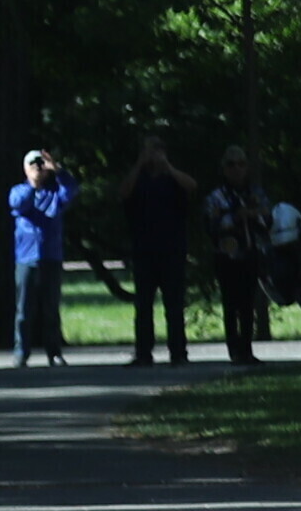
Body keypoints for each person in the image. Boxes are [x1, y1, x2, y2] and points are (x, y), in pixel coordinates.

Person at [117, 131, 198, 367]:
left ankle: (178, 352)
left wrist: (168, 166)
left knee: (174, 304)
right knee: (143, 305)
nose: (152, 155)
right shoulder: (138, 179)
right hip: (144, 250)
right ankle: (143, 353)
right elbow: (123, 193)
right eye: (149, 150)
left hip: (172, 250)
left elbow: (192, 186)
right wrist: (139, 164)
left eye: (156, 150)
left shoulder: (173, 178)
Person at [207, 145, 277, 370]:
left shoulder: (255, 194)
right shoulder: (217, 196)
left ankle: (247, 349)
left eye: (241, 164)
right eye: (231, 164)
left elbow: (268, 217)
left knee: (248, 304)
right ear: (224, 168)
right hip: (226, 256)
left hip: (250, 253)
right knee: (230, 303)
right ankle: (234, 349)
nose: (236, 169)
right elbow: (212, 225)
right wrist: (235, 218)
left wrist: (251, 214)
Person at [8, 148, 74, 365]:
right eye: (33, 165)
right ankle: (21, 352)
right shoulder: (19, 191)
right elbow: (18, 203)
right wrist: (33, 184)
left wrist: (58, 170)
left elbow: (72, 190)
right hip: (26, 259)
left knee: (51, 309)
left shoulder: (55, 193)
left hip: (51, 258)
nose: (37, 168)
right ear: (25, 169)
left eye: (40, 165)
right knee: (24, 310)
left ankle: (54, 352)